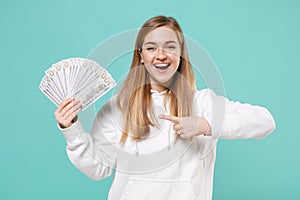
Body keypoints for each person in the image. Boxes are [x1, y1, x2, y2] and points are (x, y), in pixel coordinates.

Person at [54, 16, 276, 200]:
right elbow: (98, 168)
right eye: (151, 48)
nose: (161, 55)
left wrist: (205, 124)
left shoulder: (203, 102)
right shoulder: (119, 107)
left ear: (181, 53)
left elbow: (265, 121)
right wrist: (71, 129)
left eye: (170, 47)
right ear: (141, 55)